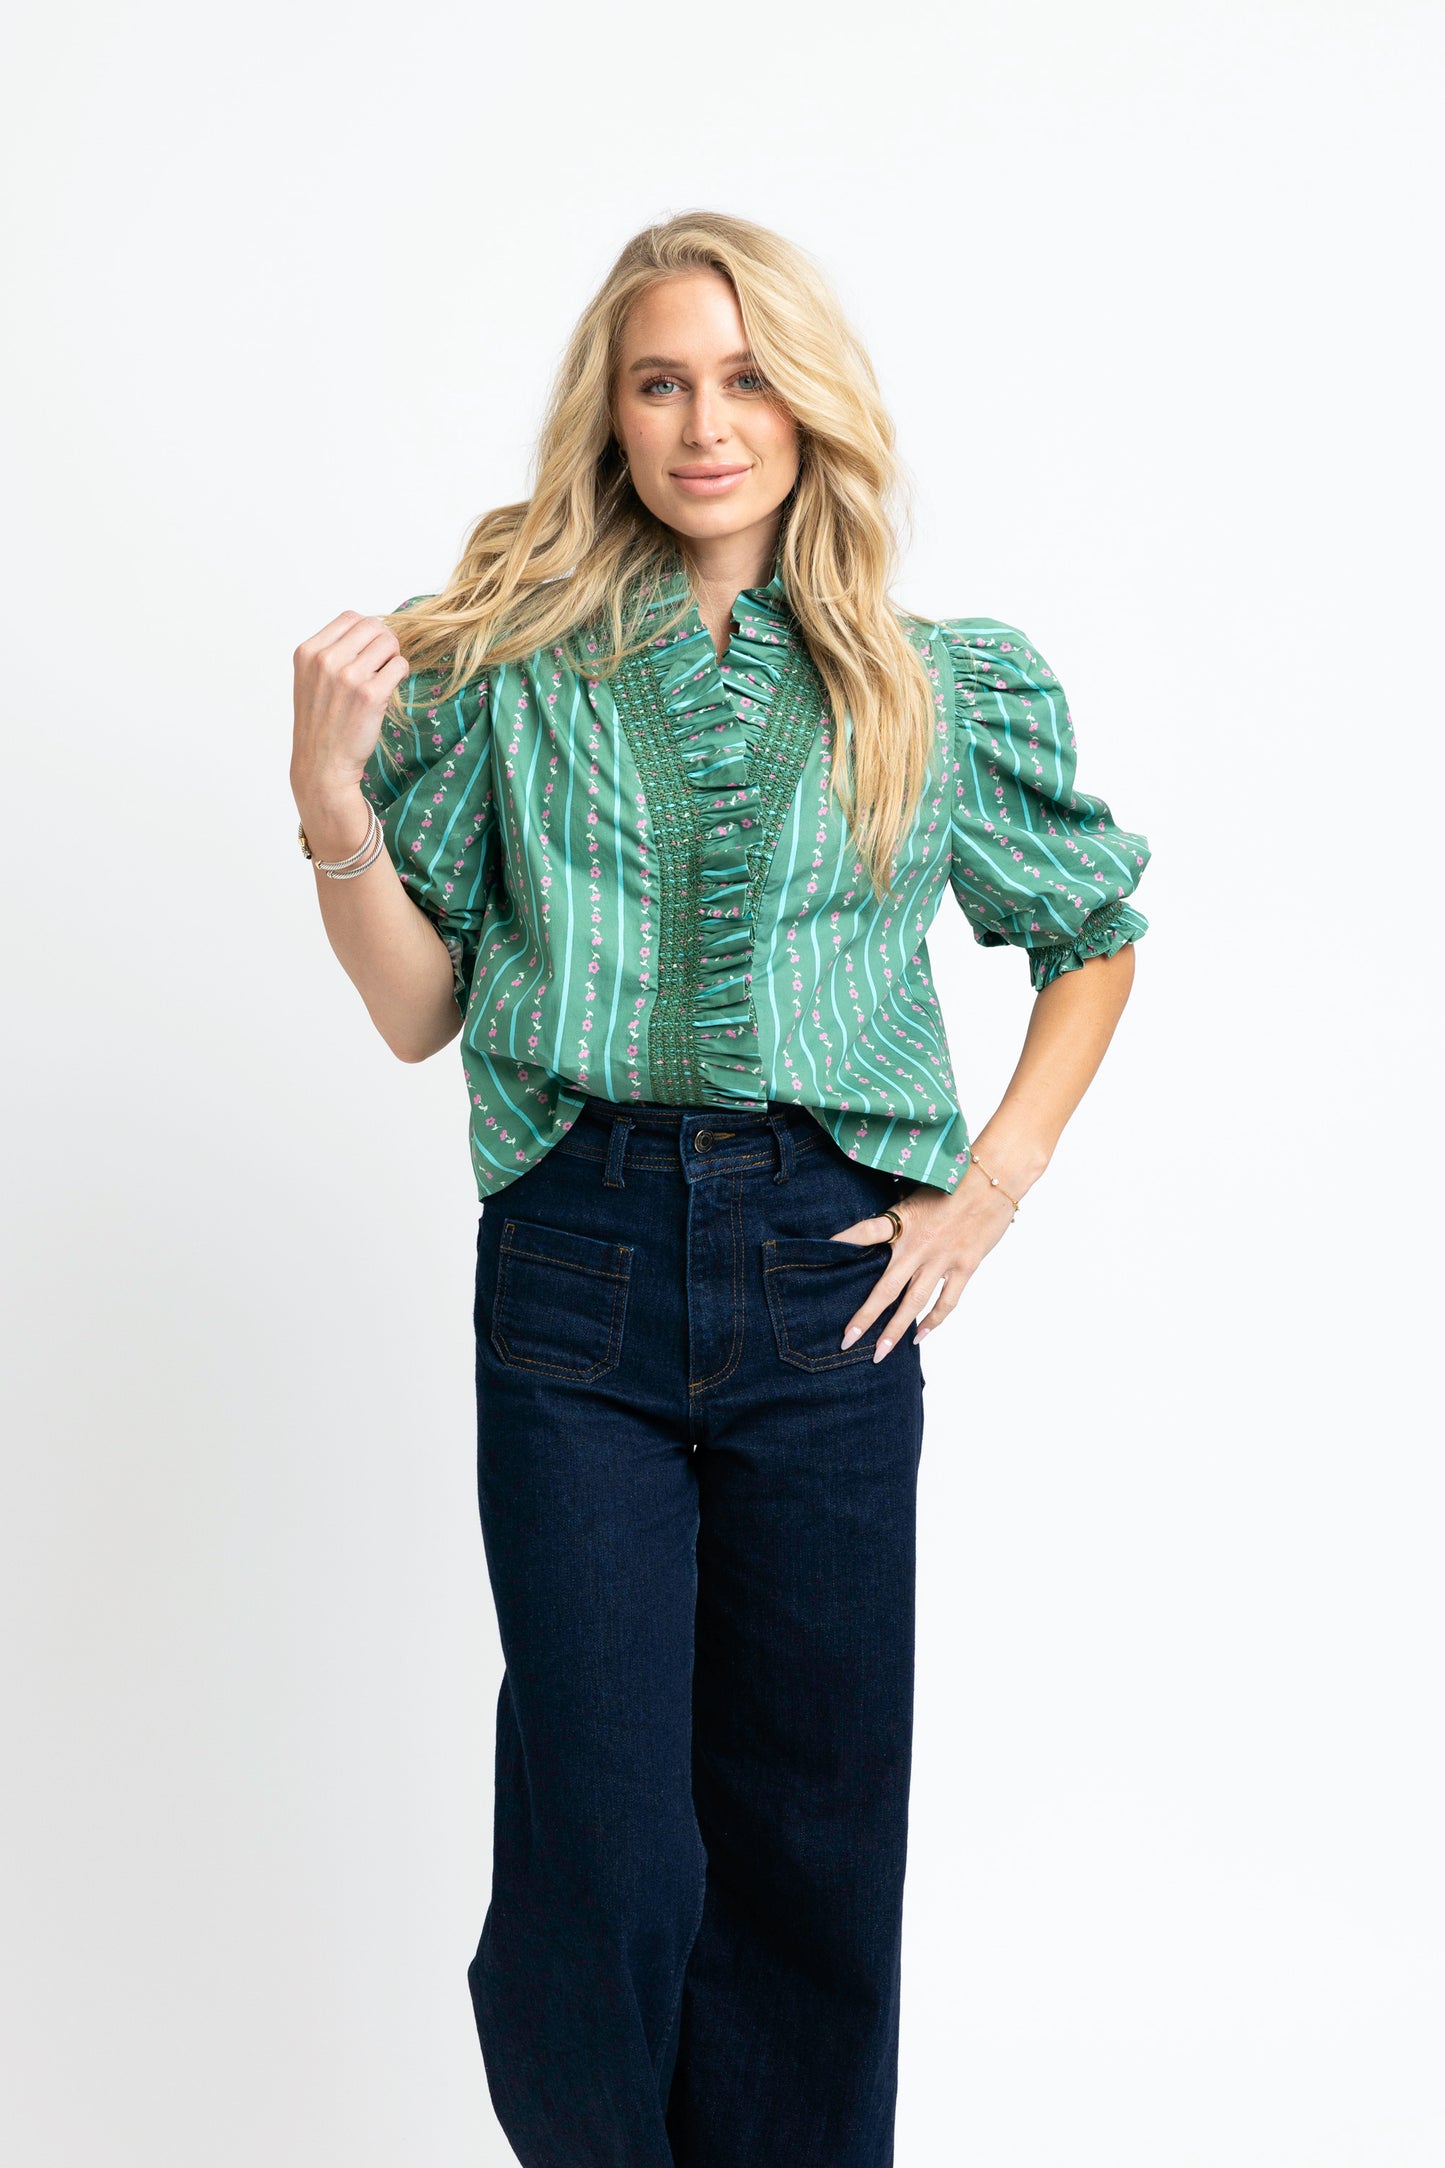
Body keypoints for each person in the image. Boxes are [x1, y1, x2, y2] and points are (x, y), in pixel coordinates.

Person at [290, 210, 1150, 2168]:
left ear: (811, 404)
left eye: (747, 376)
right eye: (664, 378)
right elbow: (422, 1015)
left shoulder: (935, 686)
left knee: (809, 1844)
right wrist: (336, 813)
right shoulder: (505, 673)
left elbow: (1088, 932)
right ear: (611, 406)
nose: (706, 422)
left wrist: (987, 1190)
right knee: (604, 1838)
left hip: (825, 1275)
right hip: (578, 1267)